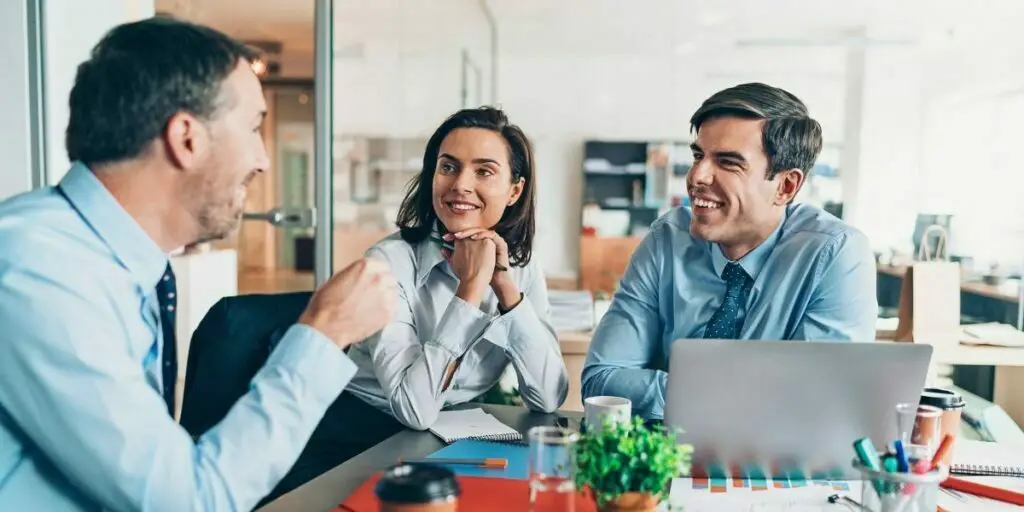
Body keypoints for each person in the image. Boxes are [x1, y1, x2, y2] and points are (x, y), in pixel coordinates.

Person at [0, 18, 397, 511]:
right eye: (254, 128)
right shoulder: (39, 271)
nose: (263, 160)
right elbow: (190, 500)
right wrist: (323, 333)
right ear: (186, 138)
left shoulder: (119, 266)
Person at [581, 82, 877, 420]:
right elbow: (602, 383)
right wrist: (742, 394)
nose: (696, 176)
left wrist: (681, 393)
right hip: (666, 460)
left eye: (728, 162)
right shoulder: (667, 239)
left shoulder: (835, 254)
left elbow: (817, 406)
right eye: (698, 156)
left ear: (785, 186)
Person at [344, 106, 569, 430]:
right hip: (364, 432)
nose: (460, 184)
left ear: (514, 191)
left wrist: (502, 284)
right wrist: (471, 287)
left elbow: (548, 397)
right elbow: (414, 410)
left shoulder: (521, 266)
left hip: (456, 428)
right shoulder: (389, 263)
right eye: (448, 167)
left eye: (484, 171)